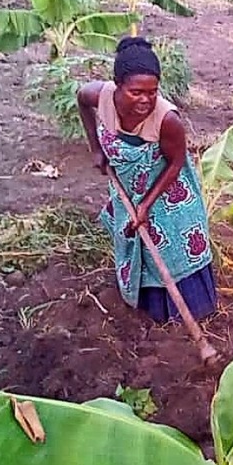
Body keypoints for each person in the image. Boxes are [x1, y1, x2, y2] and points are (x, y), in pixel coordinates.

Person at [77, 36, 217, 323]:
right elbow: (81, 101)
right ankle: (144, 304)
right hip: (129, 189)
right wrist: (95, 148)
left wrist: (147, 206)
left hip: (169, 194)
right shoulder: (99, 96)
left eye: (152, 92)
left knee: (172, 251)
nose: (145, 100)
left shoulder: (167, 120)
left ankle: (182, 315)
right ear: (118, 86)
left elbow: (177, 162)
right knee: (135, 243)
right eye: (136, 92)